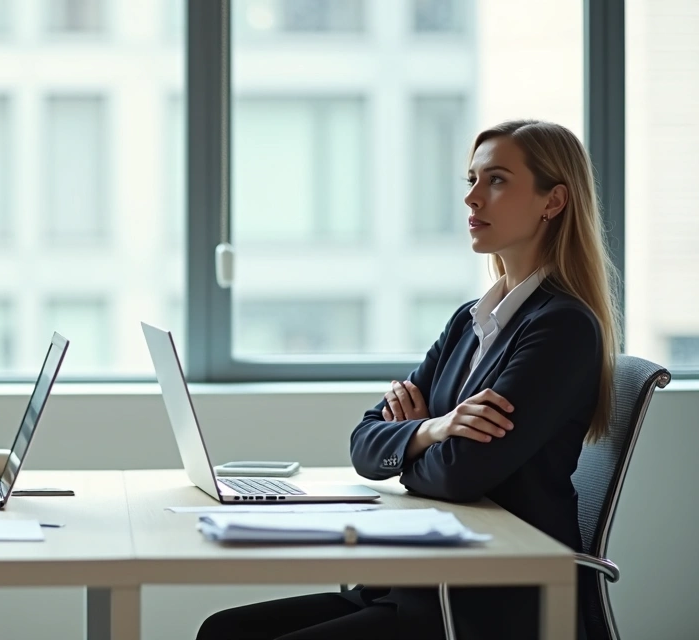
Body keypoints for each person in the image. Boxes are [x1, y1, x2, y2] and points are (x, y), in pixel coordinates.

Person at [195, 119, 618, 640]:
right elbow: (365, 443)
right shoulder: (470, 321)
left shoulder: (562, 328)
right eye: (471, 180)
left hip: (484, 601)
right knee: (224, 631)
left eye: (497, 181)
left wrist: (421, 452)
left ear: (553, 201)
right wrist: (433, 431)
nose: (472, 199)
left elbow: (463, 474)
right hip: (415, 581)